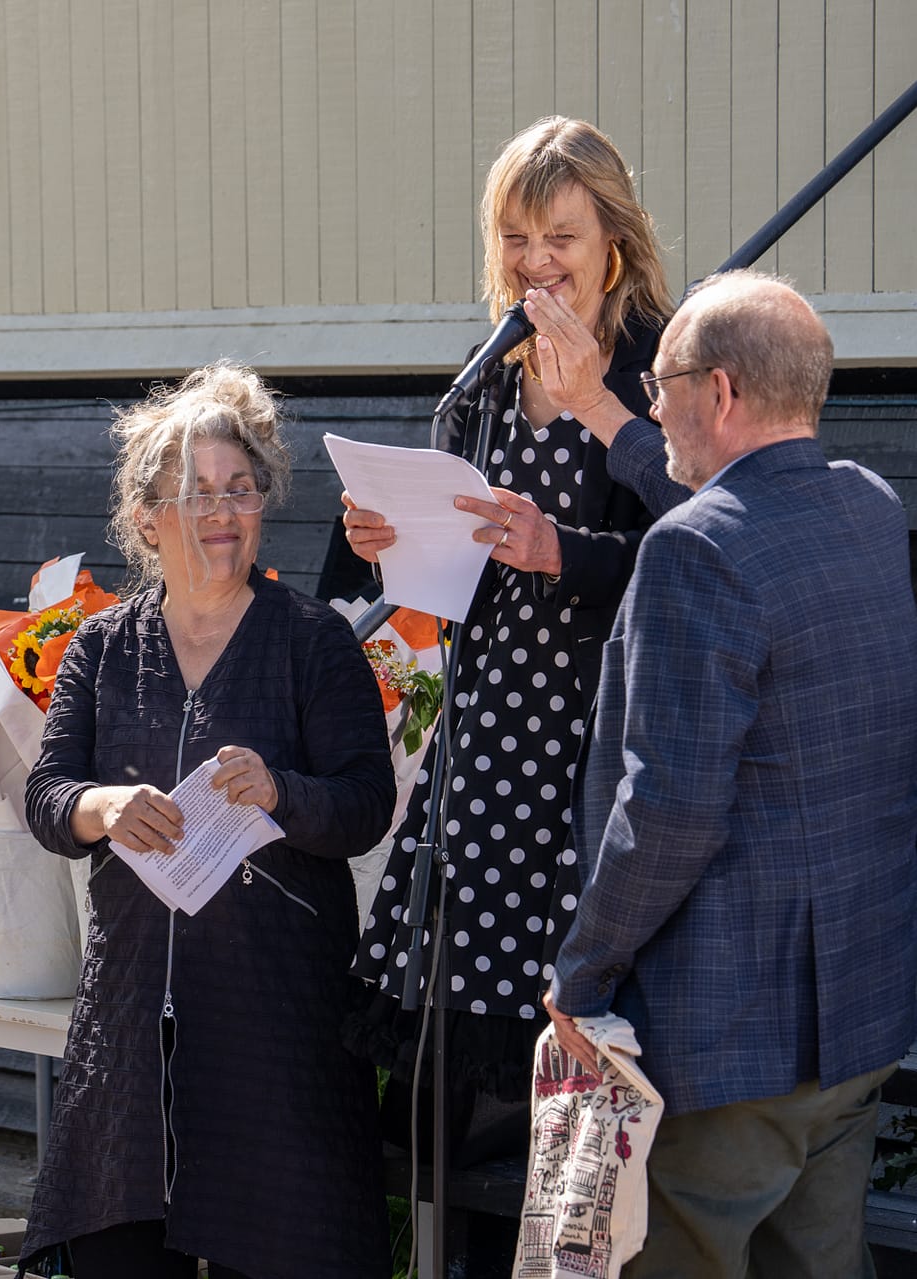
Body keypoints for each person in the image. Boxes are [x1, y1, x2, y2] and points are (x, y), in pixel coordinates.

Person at [546, 271, 917, 1278]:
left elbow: (665, 810)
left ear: (716, 392)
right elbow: (743, 502)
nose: (649, 401)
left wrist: (580, 974)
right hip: (857, 1019)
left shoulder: (691, 552)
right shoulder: (869, 510)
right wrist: (606, 416)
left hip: (729, 1037)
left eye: (658, 382)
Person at [22, 362, 396, 1278]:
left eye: (241, 489)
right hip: (130, 1018)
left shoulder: (314, 642)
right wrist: (99, 807)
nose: (222, 512)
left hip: (274, 1020)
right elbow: (44, 795)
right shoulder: (101, 647)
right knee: (119, 1247)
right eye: (196, 494)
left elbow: (366, 804)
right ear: (146, 518)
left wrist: (281, 792)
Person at [341, 117, 679, 1123]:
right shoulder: (483, 376)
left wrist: (558, 550)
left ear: (610, 241)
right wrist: (391, 539)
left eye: (559, 238)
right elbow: (456, 576)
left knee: (572, 1038)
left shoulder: (653, 370)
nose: (534, 262)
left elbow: (691, 551)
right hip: (487, 728)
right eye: (514, 238)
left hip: (594, 730)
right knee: (460, 1058)